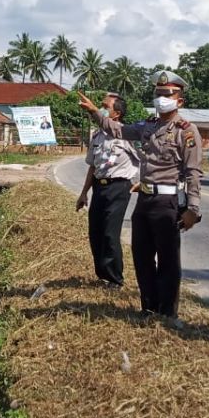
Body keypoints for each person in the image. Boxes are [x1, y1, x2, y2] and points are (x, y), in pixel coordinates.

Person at [79, 71, 202, 318]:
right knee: (142, 256)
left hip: (167, 201)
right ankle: (148, 308)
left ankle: (167, 313)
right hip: (144, 200)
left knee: (168, 260)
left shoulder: (186, 131)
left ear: (180, 101)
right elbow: (118, 130)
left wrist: (193, 209)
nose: (161, 98)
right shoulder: (148, 126)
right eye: (158, 93)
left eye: (167, 94)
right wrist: (94, 112)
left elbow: (193, 172)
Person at [75, 92, 138, 288]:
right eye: (100, 106)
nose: (102, 109)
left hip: (119, 187)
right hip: (99, 187)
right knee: (96, 231)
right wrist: (84, 193)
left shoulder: (126, 134)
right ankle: (102, 275)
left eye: (105, 106)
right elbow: (93, 166)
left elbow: (146, 158)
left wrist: (140, 181)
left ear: (117, 114)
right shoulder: (97, 136)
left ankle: (115, 279)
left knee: (110, 233)